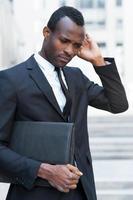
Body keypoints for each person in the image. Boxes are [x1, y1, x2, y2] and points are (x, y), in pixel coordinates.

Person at [0, 6, 128, 200]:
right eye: (64, 41)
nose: (69, 51)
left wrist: (98, 61)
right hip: (34, 194)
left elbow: (118, 104)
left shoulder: (77, 78)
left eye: (76, 46)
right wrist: (46, 171)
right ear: (46, 33)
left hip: (80, 193)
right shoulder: (12, 80)